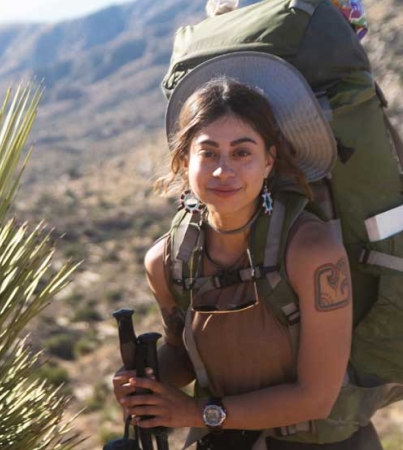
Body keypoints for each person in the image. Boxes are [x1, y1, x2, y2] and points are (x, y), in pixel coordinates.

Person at [111, 53, 384, 450]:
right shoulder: (167, 261)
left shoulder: (312, 253)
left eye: (242, 152)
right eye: (208, 153)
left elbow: (316, 397)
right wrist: (143, 381)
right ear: (184, 160)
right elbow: (182, 357)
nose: (224, 171)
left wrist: (193, 413)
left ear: (269, 161)